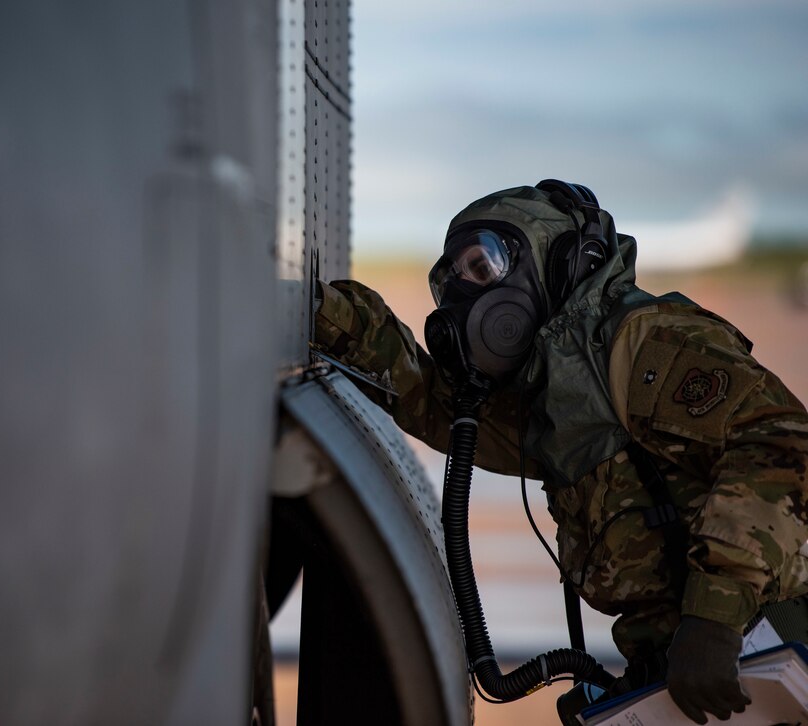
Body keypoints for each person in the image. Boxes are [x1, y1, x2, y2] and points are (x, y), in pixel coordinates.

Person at [311, 181, 808, 724]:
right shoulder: (556, 400)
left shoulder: (643, 346)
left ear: (557, 263)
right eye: (455, 278)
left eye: (483, 267)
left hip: (771, 657)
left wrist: (714, 618)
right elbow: (438, 407)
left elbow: (785, 448)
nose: (466, 293)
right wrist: (330, 318)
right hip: (694, 675)